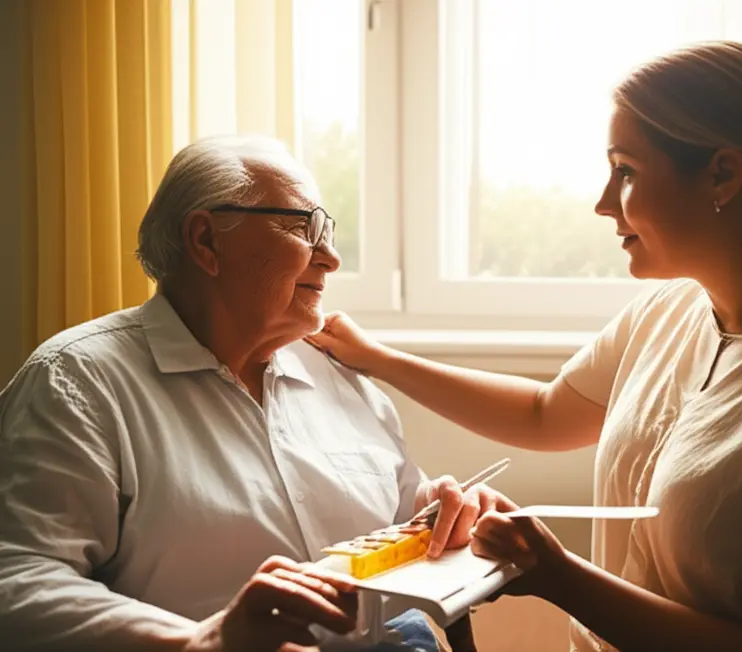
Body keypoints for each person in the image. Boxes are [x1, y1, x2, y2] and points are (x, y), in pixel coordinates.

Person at [307, 41, 742, 652]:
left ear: (722, 175)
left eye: (624, 172)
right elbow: (546, 414)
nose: (603, 203)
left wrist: (559, 575)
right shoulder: (676, 307)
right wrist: (378, 359)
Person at [0, 135, 510, 652]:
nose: (330, 258)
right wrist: (202, 640)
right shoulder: (77, 382)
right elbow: (16, 578)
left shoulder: (339, 375)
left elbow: (399, 513)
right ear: (206, 241)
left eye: (327, 230)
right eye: (302, 227)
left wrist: (442, 513)